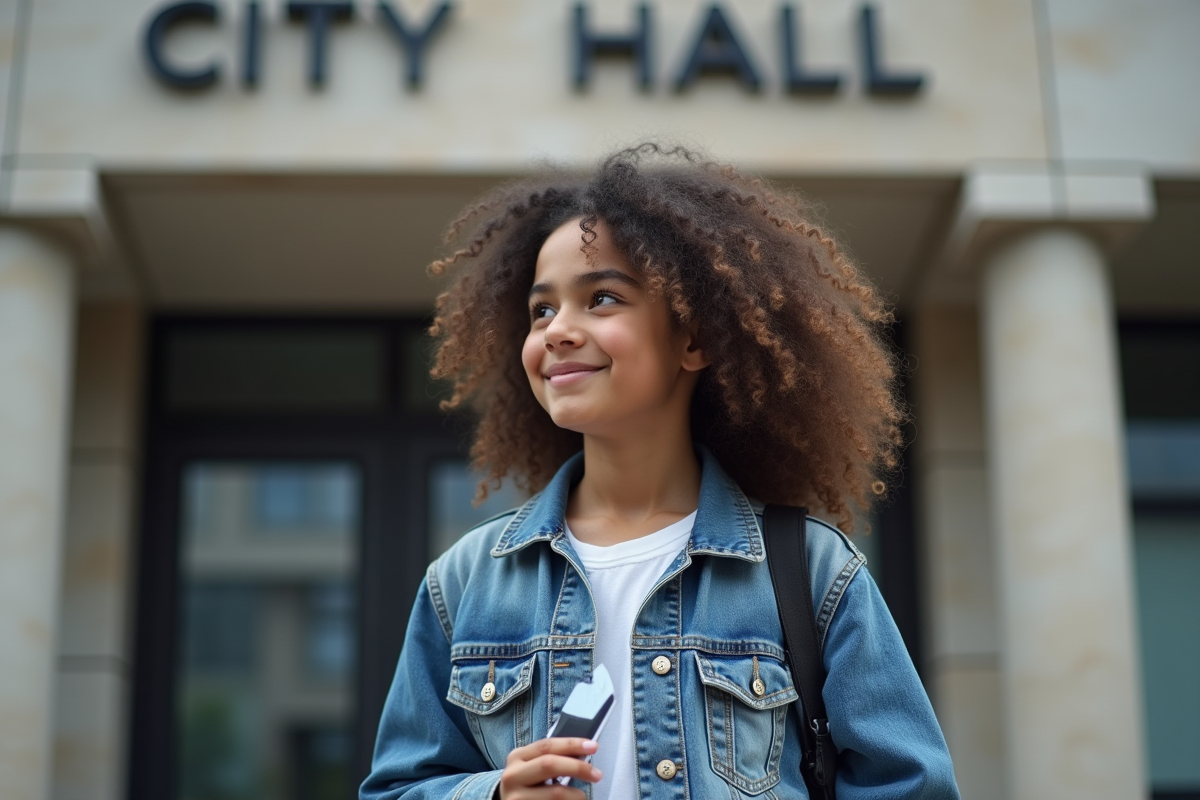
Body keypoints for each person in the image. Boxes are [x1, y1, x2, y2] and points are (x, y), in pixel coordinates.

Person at [361, 144, 959, 800]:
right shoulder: (466, 581)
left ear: (695, 339)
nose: (558, 330)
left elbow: (911, 787)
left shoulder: (811, 573)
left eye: (602, 298)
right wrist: (494, 794)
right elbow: (396, 788)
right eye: (541, 310)